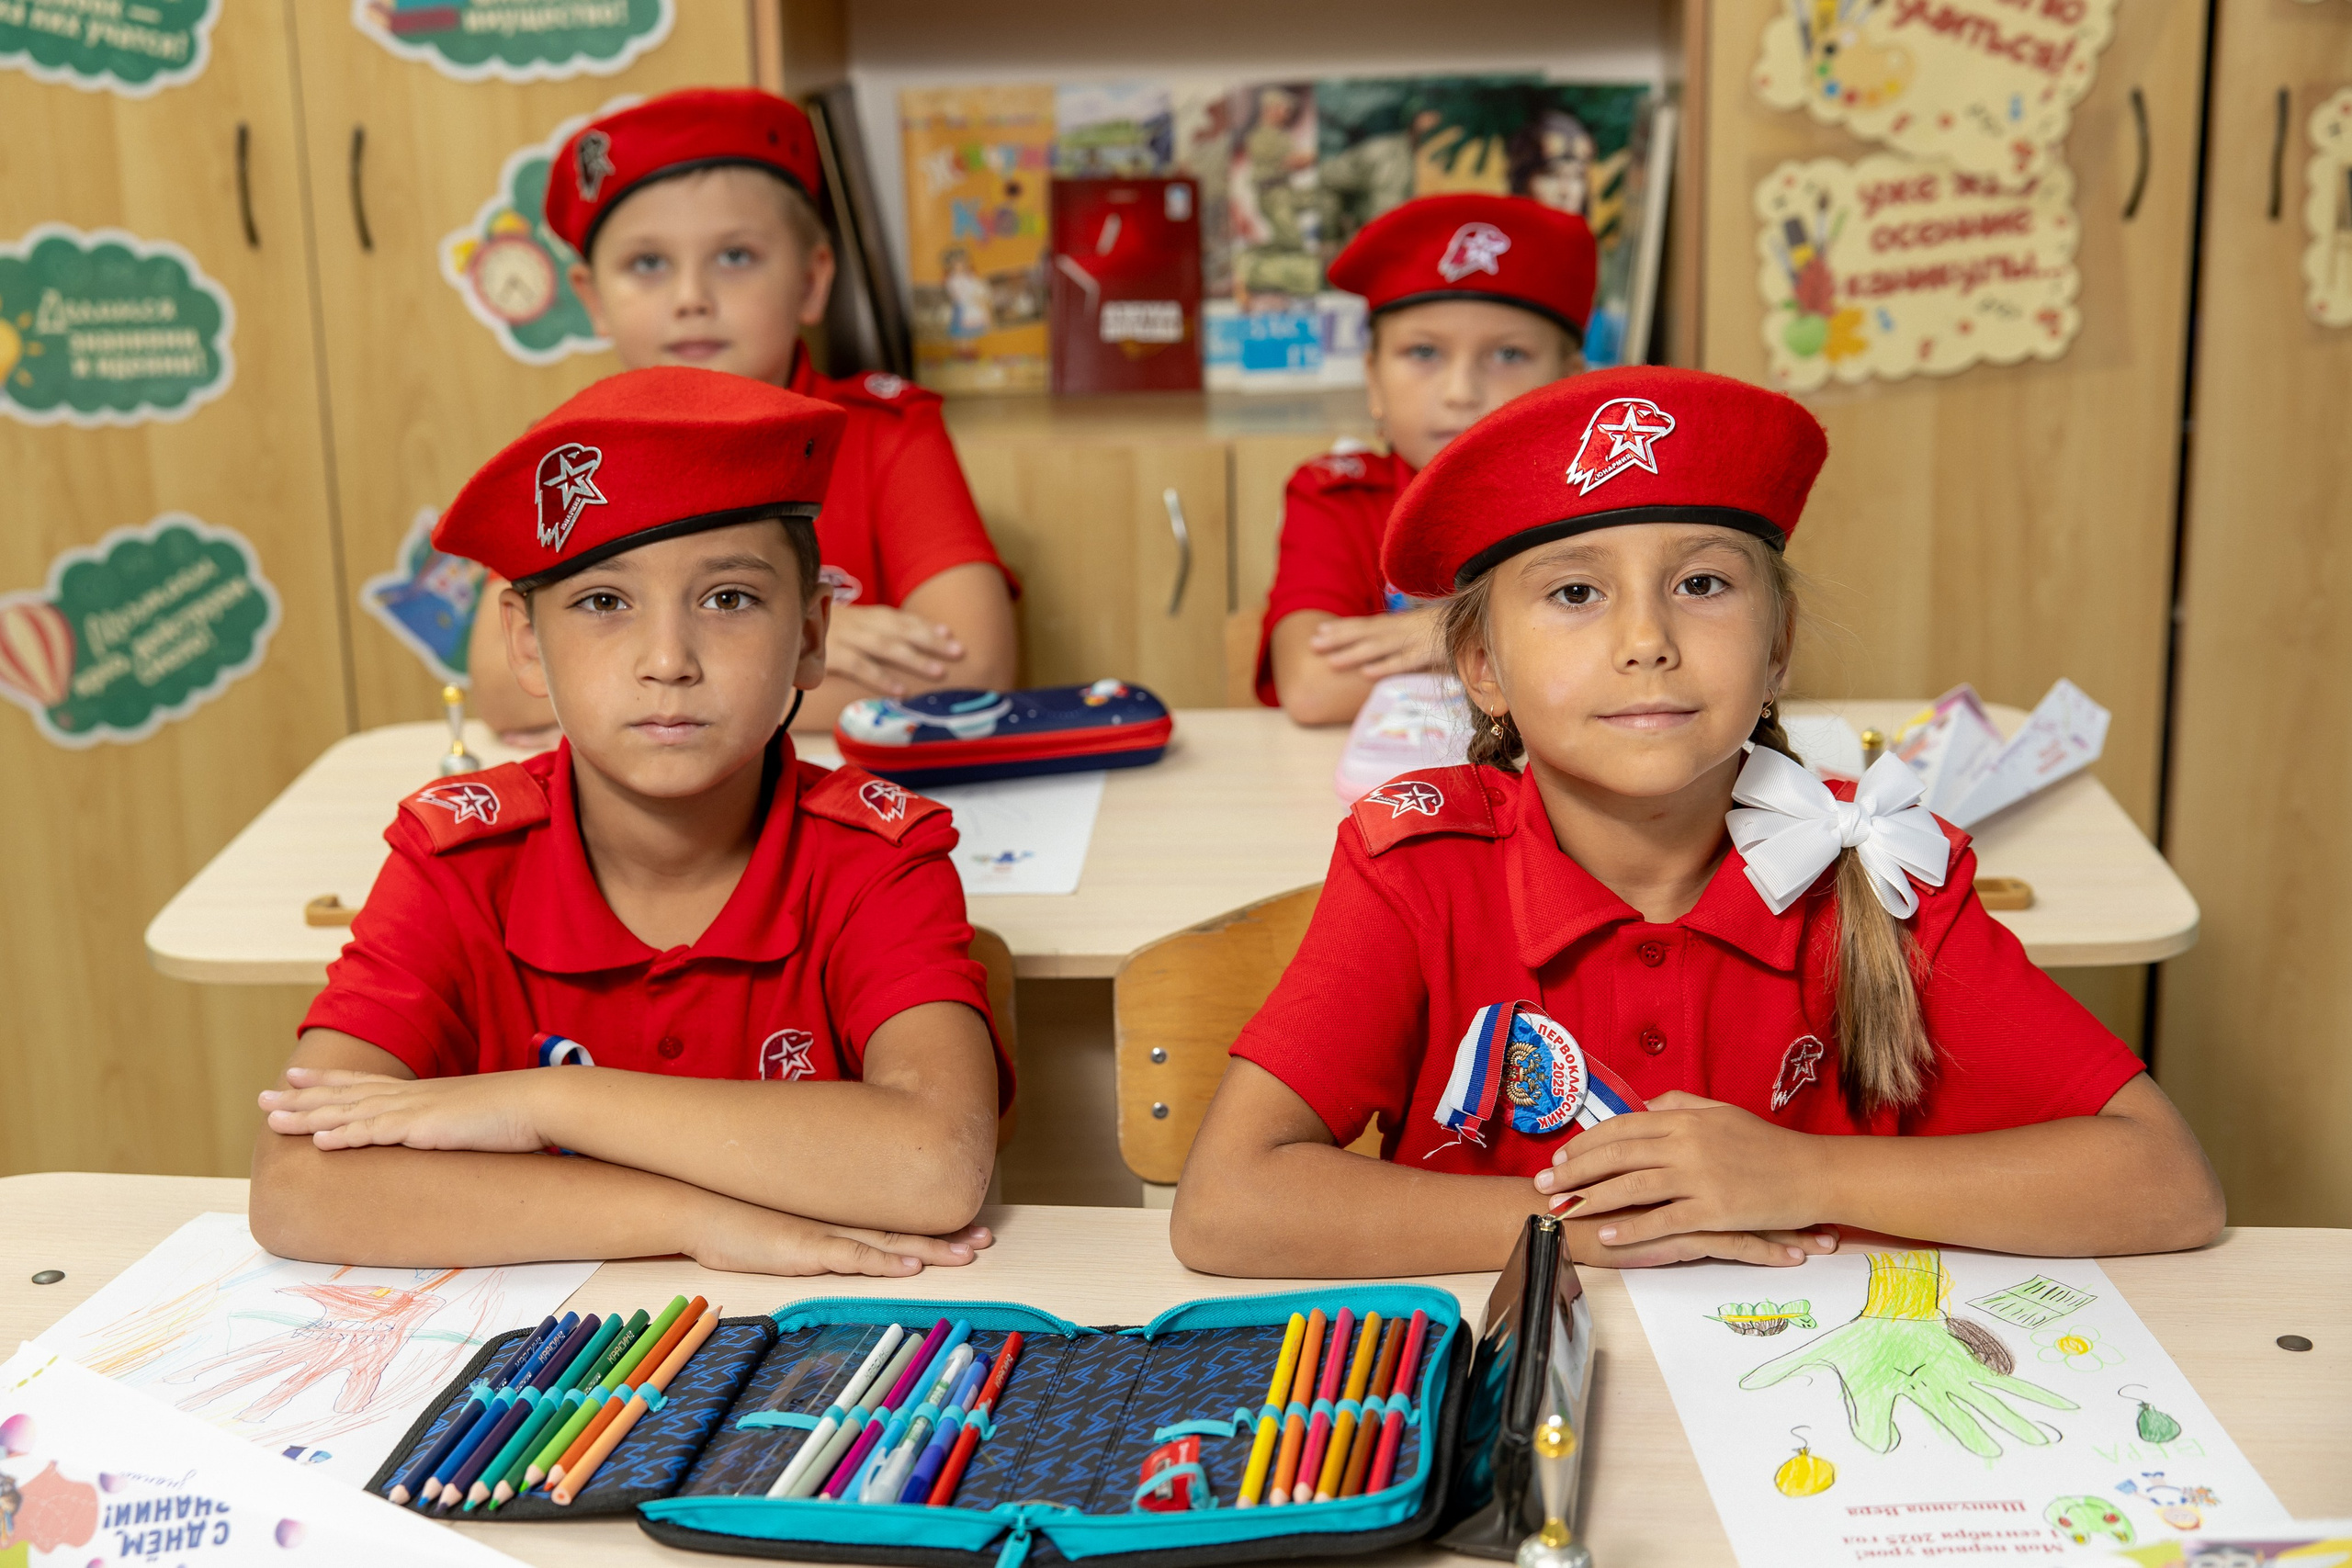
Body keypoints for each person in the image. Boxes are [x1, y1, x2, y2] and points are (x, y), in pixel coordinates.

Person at [1175, 367, 2223, 1278]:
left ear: (1776, 649)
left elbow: (2168, 1183)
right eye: (1577, 591)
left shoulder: (1880, 863)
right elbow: (1227, 1206)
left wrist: (1795, 1173)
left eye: (1704, 583)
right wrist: (1591, 1224)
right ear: (1483, 668)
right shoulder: (1417, 867)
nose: (1647, 639)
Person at [252, 368, 1010, 1277]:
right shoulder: (457, 859)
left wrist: (544, 1105)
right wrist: (688, 1218)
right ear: (525, 643)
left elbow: (934, 1168)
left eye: (728, 598)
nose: (666, 661)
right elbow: (296, 1186)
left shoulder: (876, 856)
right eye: (604, 603)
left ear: (810, 636)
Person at [466, 87, 1017, 746]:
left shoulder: (889, 435)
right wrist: (795, 654)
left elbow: (974, 671)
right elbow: (501, 687)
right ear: (594, 298)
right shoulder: (569, 457)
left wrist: (629, 700)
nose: (692, 298)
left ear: (813, 281)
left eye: (735, 257)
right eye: (647, 263)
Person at [1256, 193, 1595, 724]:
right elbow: (1313, 686)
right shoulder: (1337, 500)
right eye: (1423, 352)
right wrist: (1548, 638)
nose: (1461, 391)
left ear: (1570, 378)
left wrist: (1453, 631)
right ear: (1372, 378)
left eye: (1508, 354)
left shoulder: (1609, 506)